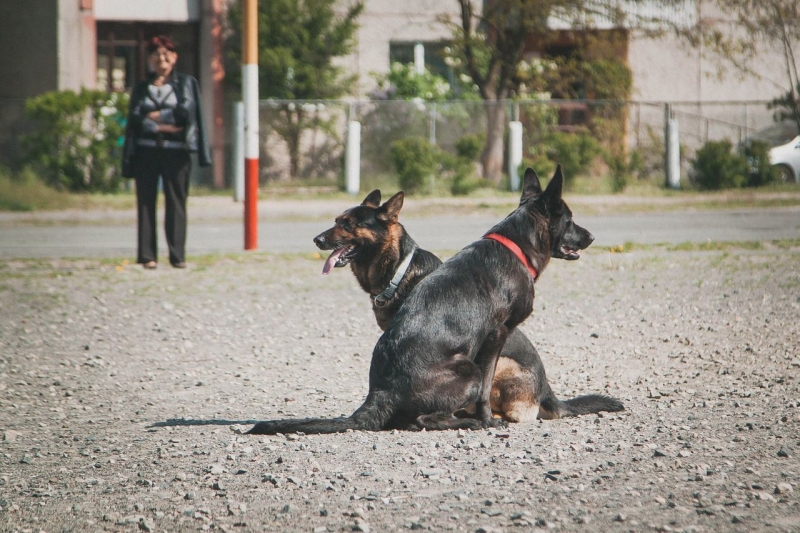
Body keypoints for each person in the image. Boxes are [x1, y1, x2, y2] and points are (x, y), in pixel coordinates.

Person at [122, 35, 211, 269]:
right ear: (149, 59)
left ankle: (177, 255)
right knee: (145, 203)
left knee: (176, 203)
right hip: (146, 152)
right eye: (155, 54)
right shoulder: (142, 87)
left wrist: (153, 116)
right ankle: (147, 256)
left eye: (165, 54)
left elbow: (184, 114)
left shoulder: (186, 84)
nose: (161, 59)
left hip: (177, 152)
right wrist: (162, 123)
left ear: (173, 57)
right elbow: (136, 119)